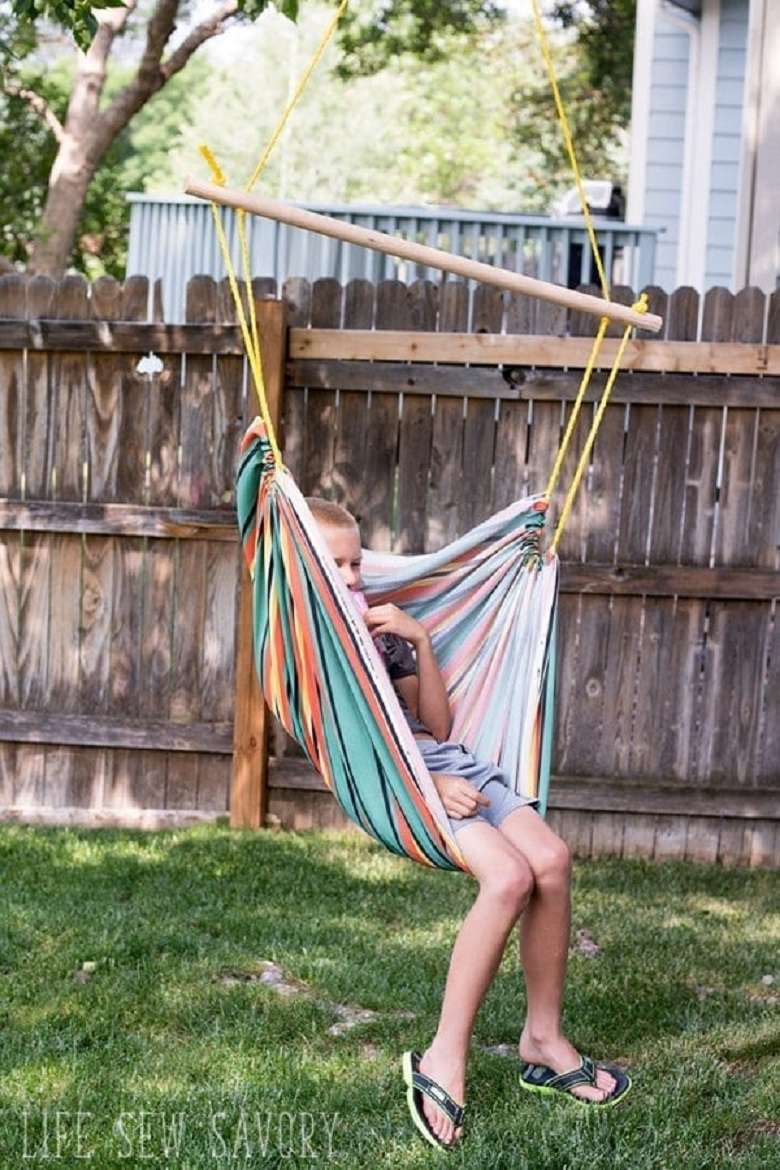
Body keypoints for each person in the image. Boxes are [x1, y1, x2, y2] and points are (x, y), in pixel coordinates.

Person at [306, 496, 631, 1150]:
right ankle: (442, 1055)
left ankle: (542, 1038)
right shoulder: (314, 644)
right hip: (403, 783)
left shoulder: (383, 632)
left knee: (551, 861)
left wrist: (419, 638)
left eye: (354, 564)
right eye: (332, 565)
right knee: (507, 877)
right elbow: (361, 743)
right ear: (305, 570)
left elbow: (438, 725)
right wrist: (429, 786)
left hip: (448, 763)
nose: (348, 578)